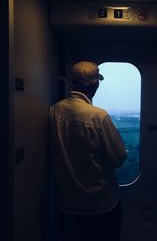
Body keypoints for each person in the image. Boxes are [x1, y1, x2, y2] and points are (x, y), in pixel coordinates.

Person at [49, 61, 127, 241]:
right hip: (101, 204)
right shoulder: (98, 116)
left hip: (66, 203)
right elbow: (119, 157)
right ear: (95, 85)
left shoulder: (53, 112)